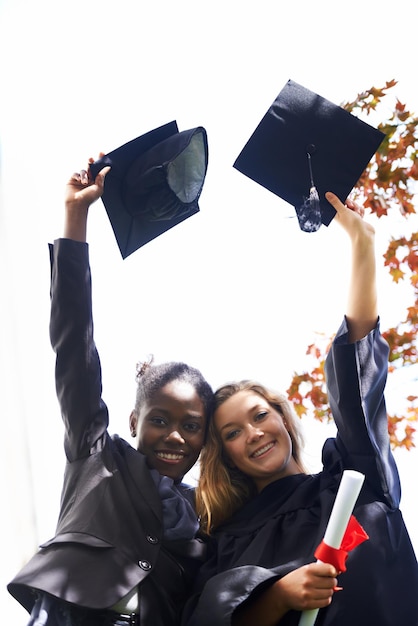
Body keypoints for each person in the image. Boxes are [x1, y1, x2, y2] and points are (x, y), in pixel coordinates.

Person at [184, 192, 418, 626]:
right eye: (232, 433)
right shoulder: (228, 542)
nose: (253, 433)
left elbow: (356, 389)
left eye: (259, 416)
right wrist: (277, 598)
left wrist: (362, 245)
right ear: (225, 456)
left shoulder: (353, 483)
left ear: (282, 418)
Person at [8, 159, 214, 626]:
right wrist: (76, 218)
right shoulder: (96, 454)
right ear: (134, 422)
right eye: (160, 419)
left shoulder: (207, 512)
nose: (176, 437)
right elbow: (72, 340)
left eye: (192, 426)